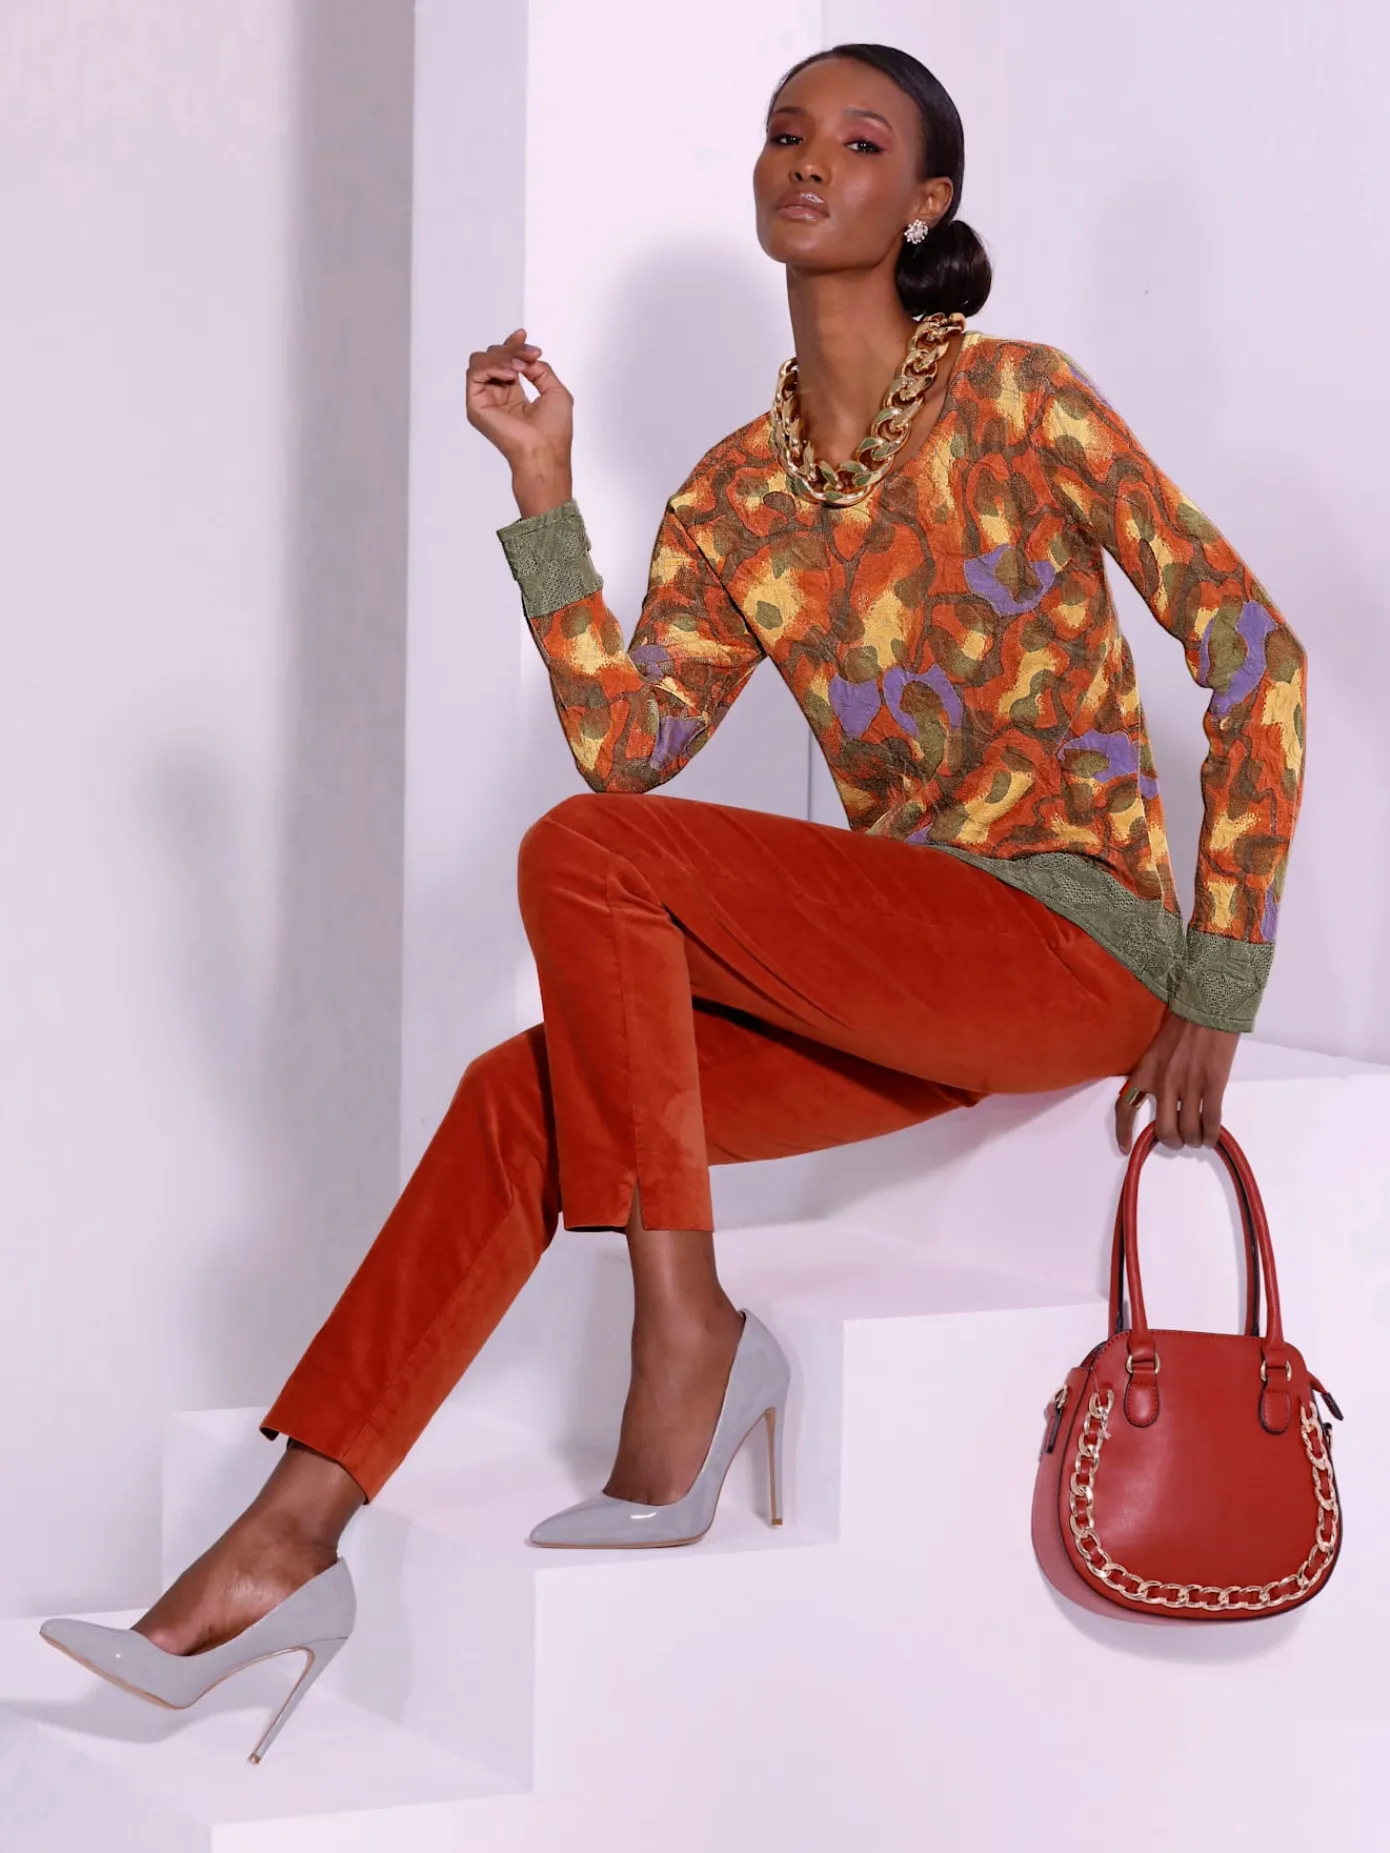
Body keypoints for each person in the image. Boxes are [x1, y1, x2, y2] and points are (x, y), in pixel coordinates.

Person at [40, 41, 1306, 1755]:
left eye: (859, 143)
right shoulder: (729, 496)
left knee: (585, 857)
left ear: (922, 202)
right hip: (899, 962)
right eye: (785, 133)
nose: (809, 161)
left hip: (1073, 942)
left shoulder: (1024, 403)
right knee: (520, 1098)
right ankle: (282, 1544)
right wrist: (543, 492)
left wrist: (1217, 979)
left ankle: (684, 1333)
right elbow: (628, 748)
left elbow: (1252, 653)